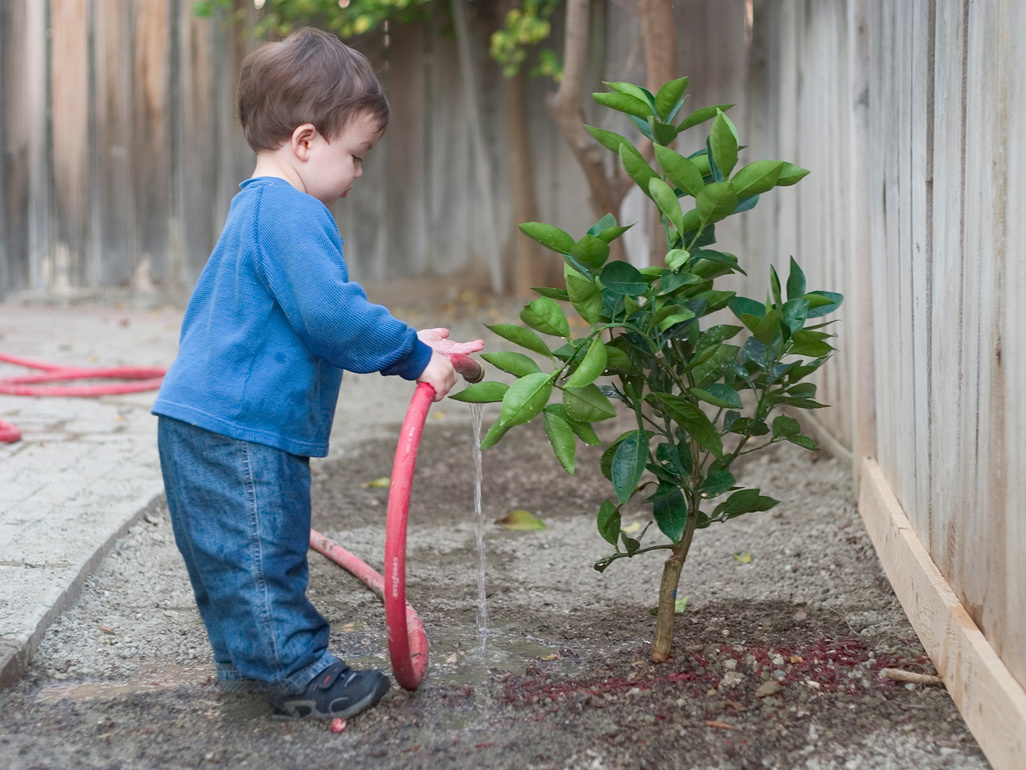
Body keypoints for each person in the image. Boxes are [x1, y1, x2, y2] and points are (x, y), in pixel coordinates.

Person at [152, 27, 481, 722]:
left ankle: (249, 665)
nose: (359, 173)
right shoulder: (294, 212)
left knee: (228, 561)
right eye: (356, 155)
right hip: (243, 432)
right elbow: (331, 315)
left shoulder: (256, 208)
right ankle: (303, 673)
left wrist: (406, 339)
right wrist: (414, 357)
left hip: (198, 421)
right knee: (263, 557)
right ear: (306, 142)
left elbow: (313, 318)